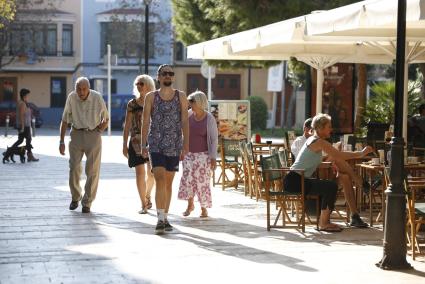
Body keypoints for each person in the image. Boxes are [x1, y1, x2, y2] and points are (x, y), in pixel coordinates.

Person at [284, 113, 373, 232]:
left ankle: (354, 213)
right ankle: (324, 223)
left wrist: (331, 164)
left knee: (342, 177)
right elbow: (339, 155)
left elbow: (312, 163)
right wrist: (360, 153)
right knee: (331, 186)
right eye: (329, 126)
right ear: (320, 128)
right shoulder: (319, 142)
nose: (331, 129)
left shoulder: (313, 140)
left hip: (297, 179)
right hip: (295, 181)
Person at [141, 64, 189, 234]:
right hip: (156, 143)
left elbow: (184, 121)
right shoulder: (150, 97)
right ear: (158, 77)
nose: (168, 76)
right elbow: (145, 121)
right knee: (160, 179)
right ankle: (160, 219)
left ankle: (165, 217)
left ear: (173, 77)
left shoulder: (181, 97)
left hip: (174, 145)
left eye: (170, 73)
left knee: (168, 183)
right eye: (164, 74)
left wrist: (186, 145)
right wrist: (143, 144)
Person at [59, 77, 109, 213]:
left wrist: (99, 130)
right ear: (75, 89)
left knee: (92, 170)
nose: (81, 92)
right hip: (76, 134)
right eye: (78, 89)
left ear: (89, 88)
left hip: (93, 134)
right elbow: (64, 120)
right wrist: (61, 141)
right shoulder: (72, 97)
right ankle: (76, 197)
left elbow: (106, 118)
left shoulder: (97, 97)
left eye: (84, 89)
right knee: (74, 167)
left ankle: (87, 202)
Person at [178, 91, 218, 218]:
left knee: (202, 182)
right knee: (188, 180)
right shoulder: (188, 115)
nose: (190, 104)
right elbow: (181, 134)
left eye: (192, 101)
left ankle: (204, 208)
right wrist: (181, 150)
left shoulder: (209, 118)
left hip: (203, 156)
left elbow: (214, 139)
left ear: (200, 102)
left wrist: (213, 157)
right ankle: (190, 205)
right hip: (188, 154)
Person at [122, 75, 155, 214]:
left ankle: (147, 195)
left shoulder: (154, 102)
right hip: (135, 141)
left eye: (141, 83)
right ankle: (143, 204)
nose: (139, 86)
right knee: (140, 173)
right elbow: (127, 125)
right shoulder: (132, 104)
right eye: (137, 84)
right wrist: (124, 144)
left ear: (148, 85)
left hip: (152, 140)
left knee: (152, 173)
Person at [11, 88, 39, 162]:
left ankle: (9, 151)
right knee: (28, 140)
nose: (28, 96)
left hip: (24, 125)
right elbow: (21, 116)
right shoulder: (22, 104)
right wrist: (23, 127)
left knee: (21, 140)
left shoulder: (22, 102)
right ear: (24, 95)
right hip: (24, 125)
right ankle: (30, 156)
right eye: (27, 95)